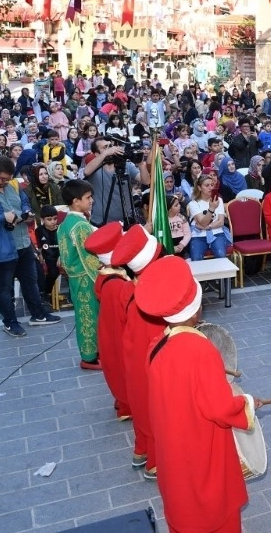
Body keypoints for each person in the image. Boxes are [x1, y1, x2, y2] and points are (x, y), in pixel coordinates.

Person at [133, 256, 259, 532]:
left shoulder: (157, 344)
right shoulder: (201, 351)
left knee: (182, 506)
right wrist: (247, 403)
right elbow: (220, 409)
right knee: (213, 510)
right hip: (200, 447)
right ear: (195, 312)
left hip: (172, 448)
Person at [0, 156, 61, 336]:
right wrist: (2, 217)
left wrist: (26, 212)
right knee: (4, 288)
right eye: (2, 179)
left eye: (9, 179)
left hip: (23, 242)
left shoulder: (13, 184)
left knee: (30, 281)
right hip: (0, 249)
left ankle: (38, 315)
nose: (6, 182)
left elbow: (23, 201)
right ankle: (10, 322)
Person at [110, 224, 165, 480]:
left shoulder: (128, 288)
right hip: (149, 365)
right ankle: (155, 460)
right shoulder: (151, 299)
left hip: (133, 361)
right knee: (154, 410)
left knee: (142, 409)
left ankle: (141, 450)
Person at [83, 222, 131, 420]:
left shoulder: (106, 278)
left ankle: (123, 401)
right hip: (121, 335)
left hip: (111, 332)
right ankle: (127, 406)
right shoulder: (118, 286)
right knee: (125, 370)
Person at [57, 179, 103, 370]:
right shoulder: (80, 226)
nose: (91, 200)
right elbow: (89, 257)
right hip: (86, 277)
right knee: (89, 316)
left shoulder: (65, 223)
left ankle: (93, 352)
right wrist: (102, 274)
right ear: (76, 201)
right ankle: (89, 357)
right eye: (87, 197)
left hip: (75, 276)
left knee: (85, 315)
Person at [83, 136, 150, 227]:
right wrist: (106, 153)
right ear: (96, 154)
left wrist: (141, 164)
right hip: (101, 222)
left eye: (110, 146)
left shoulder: (126, 165)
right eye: (104, 147)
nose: (110, 149)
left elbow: (146, 181)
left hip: (126, 220)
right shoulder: (95, 168)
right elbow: (86, 171)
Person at [187, 174, 232, 261]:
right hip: (198, 236)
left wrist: (208, 227)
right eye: (207, 185)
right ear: (200, 188)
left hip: (217, 233)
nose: (210, 188)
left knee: (221, 254)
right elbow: (203, 222)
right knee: (196, 258)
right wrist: (211, 208)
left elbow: (221, 222)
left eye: (212, 185)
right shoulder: (193, 203)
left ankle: (222, 275)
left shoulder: (218, 200)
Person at [35, 206, 62, 303]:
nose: (53, 222)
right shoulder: (39, 231)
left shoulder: (60, 229)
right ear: (42, 220)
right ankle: (45, 292)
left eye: (55, 218)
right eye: (49, 219)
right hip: (48, 257)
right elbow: (39, 246)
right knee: (53, 272)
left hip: (60, 255)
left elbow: (64, 245)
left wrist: (61, 256)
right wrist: (40, 254)